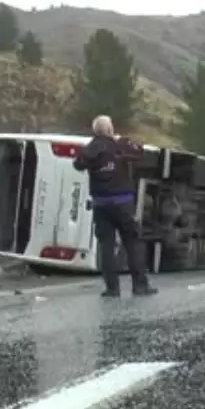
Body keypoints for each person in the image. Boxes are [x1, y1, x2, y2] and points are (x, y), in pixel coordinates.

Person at [73, 115, 157, 298]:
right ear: (110, 130)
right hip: (122, 203)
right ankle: (140, 286)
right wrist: (122, 141)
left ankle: (112, 289)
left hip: (101, 205)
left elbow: (78, 164)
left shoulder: (90, 148)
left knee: (106, 246)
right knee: (132, 243)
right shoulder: (119, 145)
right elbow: (139, 153)